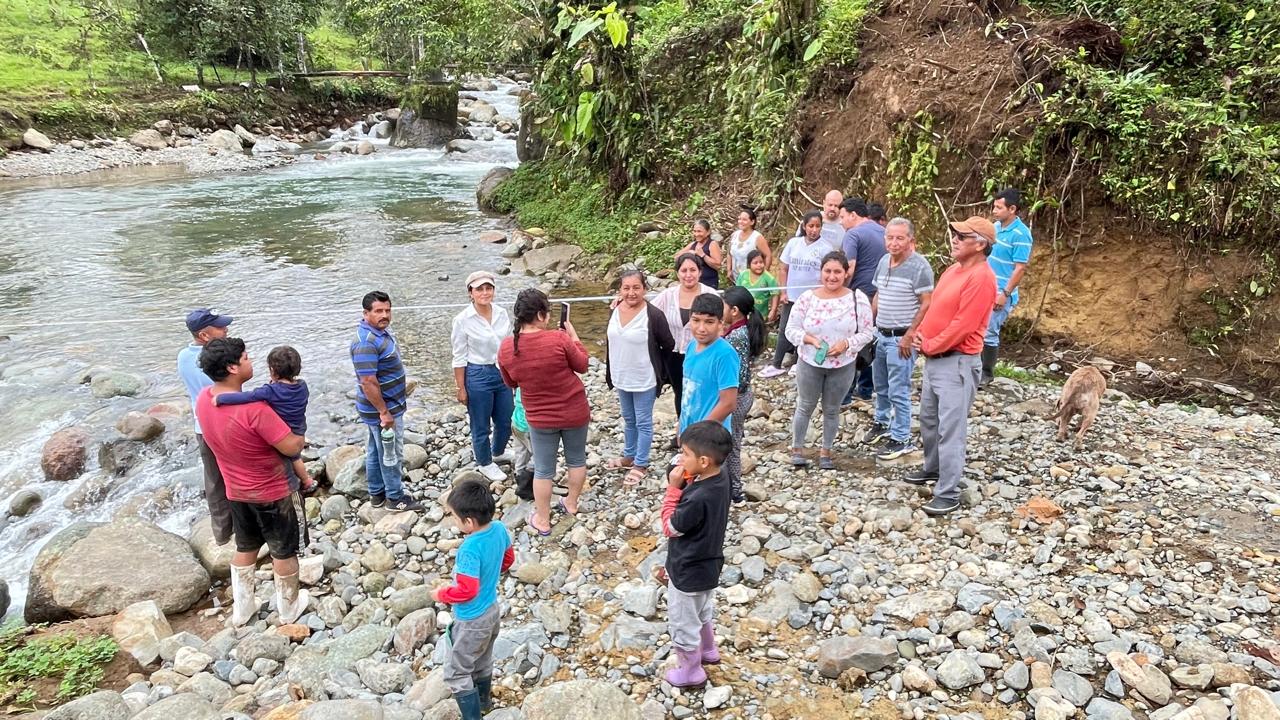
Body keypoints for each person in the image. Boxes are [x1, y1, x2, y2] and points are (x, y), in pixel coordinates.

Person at [195, 337, 309, 627]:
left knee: (245, 547)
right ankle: (289, 608)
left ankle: (242, 609)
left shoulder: (204, 399)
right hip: (275, 492)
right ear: (232, 367)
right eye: (246, 358)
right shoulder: (256, 410)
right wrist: (300, 433)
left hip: (236, 490)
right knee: (284, 550)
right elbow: (292, 447)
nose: (251, 361)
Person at [907, 216, 998, 516]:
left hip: (957, 361)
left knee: (950, 429)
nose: (954, 239)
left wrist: (931, 344)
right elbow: (936, 308)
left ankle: (948, 493)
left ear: (980, 244)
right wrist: (921, 334)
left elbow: (964, 324)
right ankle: (933, 469)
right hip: (936, 360)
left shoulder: (982, 278)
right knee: (929, 420)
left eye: (962, 236)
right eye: (954, 234)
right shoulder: (952, 270)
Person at [498, 289, 590, 537]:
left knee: (543, 469)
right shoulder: (559, 339)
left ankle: (543, 519)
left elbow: (511, 382)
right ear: (540, 315)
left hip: (539, 417)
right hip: (574, 410)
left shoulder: (506, 348)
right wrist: (574, 337)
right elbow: (582, 364)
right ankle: (571, 503)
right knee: (576, 459)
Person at [659, 420, 733, 688]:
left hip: (687, 570)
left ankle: (691, 672)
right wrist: (688, 478)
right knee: (702, 611)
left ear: (703, 461)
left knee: (683, 622)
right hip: (709, 565)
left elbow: (670, 527)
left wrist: (673, 489)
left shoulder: (697, 498)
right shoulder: (721, 476)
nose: (681, 459)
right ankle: (709, 650)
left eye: (685, 454)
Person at [433, 479, 514, 720]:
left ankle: (473, 716)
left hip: (471, 619)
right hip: (491, 611)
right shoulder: (499, 528)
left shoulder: (469, 548)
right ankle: (484, 703)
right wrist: (491, 573)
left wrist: (442, 594)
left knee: (457, 672)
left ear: (468, 522)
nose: (453, 521)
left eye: (454, 517)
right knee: (482, 659)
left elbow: (467, 591)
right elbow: (508, 559)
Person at [786, 251, 874, 469]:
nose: (832, 276)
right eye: (827, 271)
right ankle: (797, 449)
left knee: (832, 409)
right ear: (821, 272)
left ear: (845, 273)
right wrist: (810, 340)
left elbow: (867, 332)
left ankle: (826, 451)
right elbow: (791, 329)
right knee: (805, 405)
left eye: (837, 272)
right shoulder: (807, 298)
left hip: (843, 364)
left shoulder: (857, 299)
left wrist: (846, 344)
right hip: (810, 361)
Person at [863, 218, 934, 460]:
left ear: (910, 240)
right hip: (880, 334)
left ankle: (902, 437)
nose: (894, 243)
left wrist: (910, 334)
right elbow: (878, 294)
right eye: (890, 237)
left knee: (899, 389)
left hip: (901, 338)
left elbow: (927, 303)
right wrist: (868, 325)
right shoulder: (884, 261)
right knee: (880, 385)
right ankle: (882, 422)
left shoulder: (920, 266)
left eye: (900, 238)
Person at [351, 291, 424, 512]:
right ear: (366, 313)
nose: (384, 315)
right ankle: (395, 497)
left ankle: (377, 494)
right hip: (382, 409)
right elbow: (368, 382)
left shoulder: (378, 333)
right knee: (391, 453)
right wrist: (384, 412)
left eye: (387, 310)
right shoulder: (366, 342)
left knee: (375, 450)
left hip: (384, 407)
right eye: (378, 311)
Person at [212, 345, 316, 495]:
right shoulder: (302, 386)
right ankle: (307, 480)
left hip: (285, 432)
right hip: (299, 427)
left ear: (273, 371)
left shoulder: (271, 390)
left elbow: (248, 396)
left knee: (291, 458)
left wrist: (221, 398)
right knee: (296, 456)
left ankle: (305, 480)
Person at [605, 269, 676, 487]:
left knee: (643, 421)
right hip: (621, 375)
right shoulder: (615, 309)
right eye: (626, 288)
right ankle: (629, 455)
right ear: (619, 290)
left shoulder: (653, 315)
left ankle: (641, 463)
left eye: (636, 287)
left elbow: (668, 344)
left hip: (644, 377)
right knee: (629, 419)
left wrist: (658, 367)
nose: (631, 293)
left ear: (644, 289)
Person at [451, 270, 514, 483]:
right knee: (481, 424)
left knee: (506, 419)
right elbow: (459, 356)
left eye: (488, 288)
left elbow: (509, 344)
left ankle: (498, 452)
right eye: (480, 289)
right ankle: (484, 462)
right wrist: (461, 387)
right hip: (477, 373)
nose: (485, 293)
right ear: (471, 293)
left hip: (502, 371)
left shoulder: (502, 313)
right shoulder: (462, 320)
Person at [178, 308, 235, 545]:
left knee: (213, 479)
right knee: (236, 475)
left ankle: (222, 533)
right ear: (204, 335)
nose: (226, 330)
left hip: (201, 427)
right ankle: (245, 528)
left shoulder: (183, 356)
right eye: (220, 328)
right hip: (224, 426)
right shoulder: (215, 361)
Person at [651, 255, 719, 441]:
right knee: (680, 393)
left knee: (700, 391)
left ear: (700, 272)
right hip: (673, 353)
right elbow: (648, 312)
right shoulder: (668, 295)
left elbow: (722, 321)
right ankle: (683, 433)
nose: (688, 275)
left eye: (692, 270)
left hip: (701, 352)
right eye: (684, 270)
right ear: (677, 273)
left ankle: (703, 432)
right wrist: (622, 302)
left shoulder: (710, 294)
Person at [758, 211, 829, 379]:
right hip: (791, 296)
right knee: (785, 329)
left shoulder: (826, 248)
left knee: (807, 330)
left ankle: (798, 363)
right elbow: (784, 268)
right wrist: (784, 291)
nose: (814, 230)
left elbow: (826, 274)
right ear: (804, 226)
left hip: (812, 298)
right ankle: (776, 363)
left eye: (817, 226)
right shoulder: (794, 243)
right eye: (810, 226)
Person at [983, 188, 1034, 385]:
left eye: (999, 207)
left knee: (990, 331)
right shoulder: (995, 227)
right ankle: (972, 369)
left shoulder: (1022, 234)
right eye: (994, 207)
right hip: (984, 288)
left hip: (1000, 291)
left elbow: (1020, 268)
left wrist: (1005, 293)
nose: (994, 211)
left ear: (1012, 209)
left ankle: (986, 374)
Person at [838, 197, 886, 404]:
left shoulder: (853, 234)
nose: (841, 222)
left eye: (842, 217)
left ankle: (845, 394)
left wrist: (838, 292)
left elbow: (849, 268)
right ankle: (866, 389)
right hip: (882, 294)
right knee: (872, 339)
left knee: (852, 341)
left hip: (860, 295)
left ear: (853, 215)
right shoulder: (884, 231)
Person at [721, 286, 766, 503]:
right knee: (733, 441)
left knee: (730, 444)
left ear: (734, 310)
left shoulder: (736, 336)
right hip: (743, 395)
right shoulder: (742, 329)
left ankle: (734, 490)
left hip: (736, 397)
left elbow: (736, 374)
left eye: (724, 306)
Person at [672, 219, 723, 289]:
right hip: (693, 282)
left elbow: (717, 266)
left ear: (708, 232)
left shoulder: (712, 244)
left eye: (699, 231)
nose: (696, 234)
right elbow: (676, 257)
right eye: (695, 231)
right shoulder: (693, 244)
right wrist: (689, 253)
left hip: (708, 283)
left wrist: (703, 255)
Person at [725, 207, 771, 281]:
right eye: (739, 219)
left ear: (752, 222)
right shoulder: (734, 235)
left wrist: (763, 275)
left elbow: (768, 255)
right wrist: (729, 270)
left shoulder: (757, 237)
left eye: (744, 220)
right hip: (737, 279)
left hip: (753, 280)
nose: (741, 221)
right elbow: (729, 253)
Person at [735, 249, 780, 324]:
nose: (759, 265)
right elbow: (737, 291)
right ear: (749, 264)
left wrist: (773, 310)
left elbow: (775, 294)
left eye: (761, 262)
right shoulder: (743, 275)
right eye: (755, 263)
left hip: (760, 315)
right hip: (743, 313)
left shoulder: (769, 278)